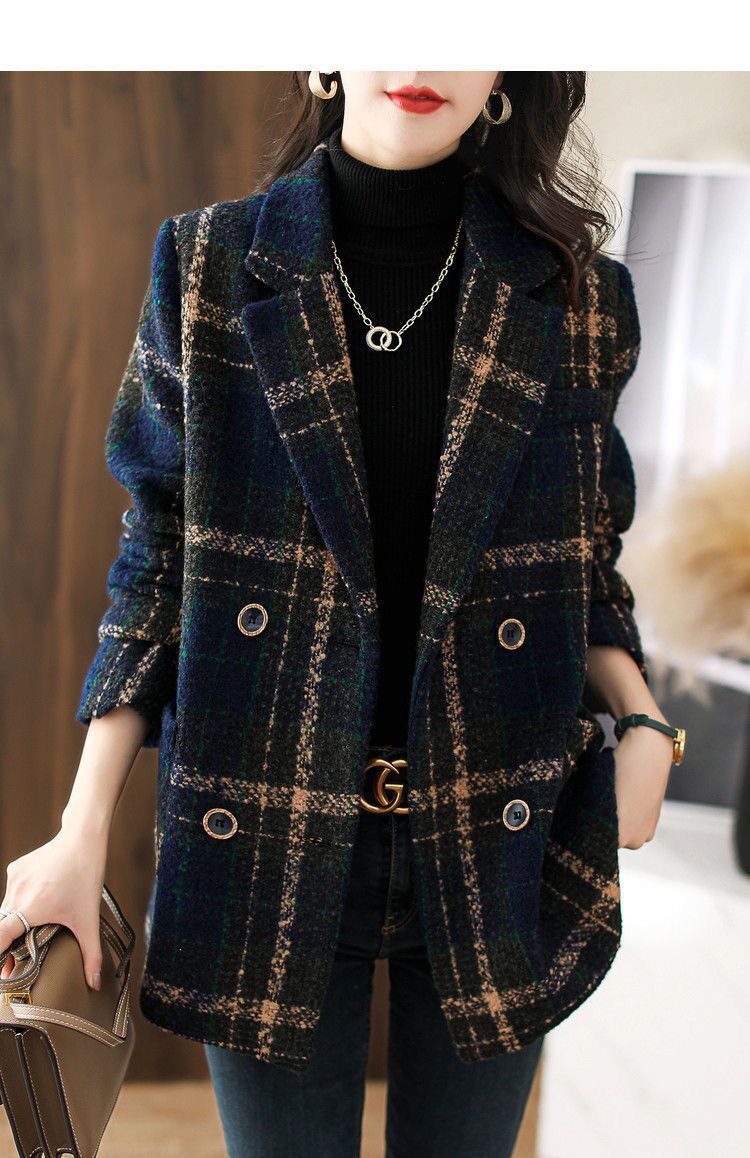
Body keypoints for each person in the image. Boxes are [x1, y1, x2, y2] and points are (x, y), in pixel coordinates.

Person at [1, 72, 683, 1157]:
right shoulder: (211, 263)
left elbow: (581, 564)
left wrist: (643, 719)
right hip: (267, 831)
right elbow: (159, 563)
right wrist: (80, 831)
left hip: (496, 834)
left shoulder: (578, 295)